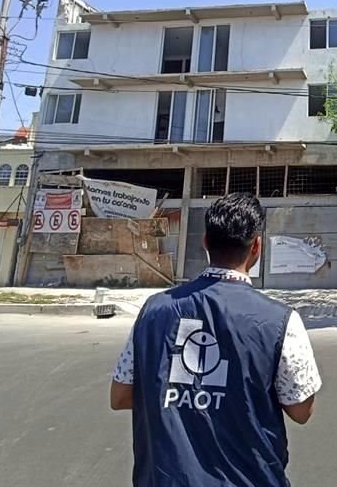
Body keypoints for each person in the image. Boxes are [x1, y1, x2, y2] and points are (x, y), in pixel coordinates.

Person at [110, 192, 321, 487]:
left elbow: (120, 396)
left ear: (205, 241)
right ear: (257, 246)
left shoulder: (154, 311)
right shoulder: (281, 321)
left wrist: (183, 395)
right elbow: (301, 409)